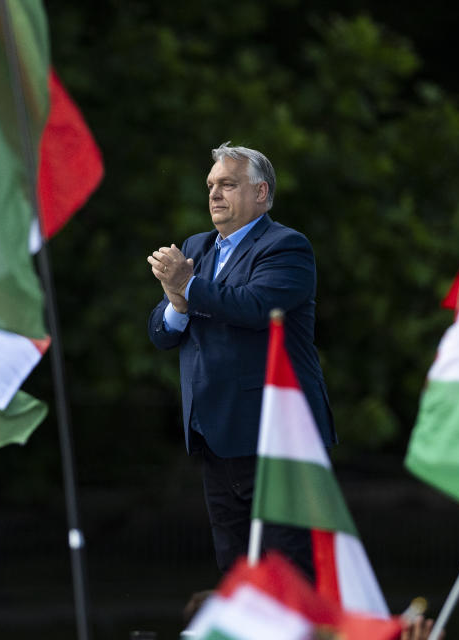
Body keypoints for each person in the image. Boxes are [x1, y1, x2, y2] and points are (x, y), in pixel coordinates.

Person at [147, 142, 335, 580]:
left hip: (278, 437)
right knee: (236, 576)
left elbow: (254, 307)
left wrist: (187, 287)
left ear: (261, 193)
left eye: (228, 184)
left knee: (288, 573)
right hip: (215, 435)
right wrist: (178, 300)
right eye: (211, 185)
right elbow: (161, 332)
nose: (214, 194)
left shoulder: (287, 246)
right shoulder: (198, 246)